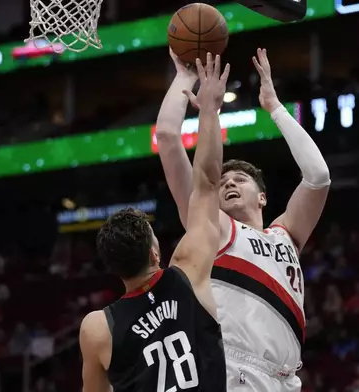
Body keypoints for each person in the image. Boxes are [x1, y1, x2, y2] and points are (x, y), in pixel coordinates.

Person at [156, 47, 331, 391]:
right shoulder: (214, 227)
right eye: (222, 182)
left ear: (263, 196)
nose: (229, 183)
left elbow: (318, 175)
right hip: (230, 368)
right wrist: (184, 79)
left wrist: (275, 108)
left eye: (240, 179)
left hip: (284, 379)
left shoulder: (286, 236)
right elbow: (167, 137)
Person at [79, 53, 230, 392]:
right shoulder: (188, 272)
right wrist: (208, 108)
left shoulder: (97, 329)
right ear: (154, 253)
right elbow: (206, 182)